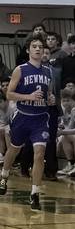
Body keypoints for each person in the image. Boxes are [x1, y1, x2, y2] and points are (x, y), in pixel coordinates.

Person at [0, 36, 53, 209]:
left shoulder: (48, 71)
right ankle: (4, 176)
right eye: (34, 46)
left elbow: (50, 94)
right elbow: (9, 94)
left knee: (39, 154)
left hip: (40, 117)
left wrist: (51, 98)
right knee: (14, 149)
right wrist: (28, 97)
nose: (38, 49)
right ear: (28, 50)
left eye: (40, 46)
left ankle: (35, 193)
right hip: (23, 116)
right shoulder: (20, 69)